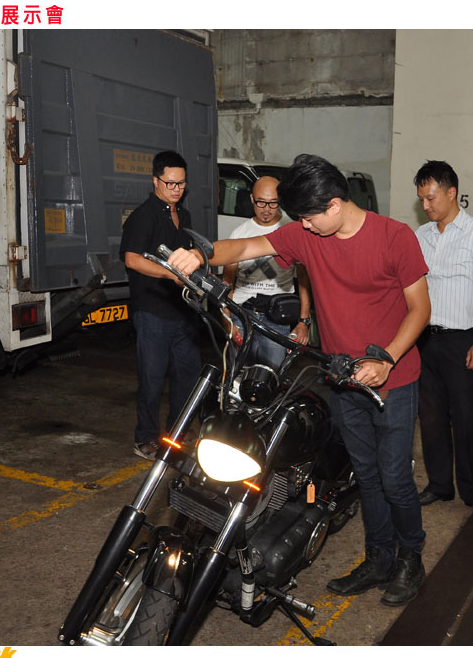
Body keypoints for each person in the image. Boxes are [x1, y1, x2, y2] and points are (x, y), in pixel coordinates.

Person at [169, 154, 432, 607]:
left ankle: (410, 558)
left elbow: (420, 309)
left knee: (394, 478)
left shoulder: (395, 237)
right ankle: (378, 558)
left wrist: (387, 358)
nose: (303, 227)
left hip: (393, 381)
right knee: (366, 475)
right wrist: (201, 254)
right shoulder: (309, 235)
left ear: (334, 205)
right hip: (343, 377)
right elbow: (247, 248)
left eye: (309, 217)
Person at [413, 160, 473, 518]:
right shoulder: (421, 235)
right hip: (425, 340)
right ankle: (439, 484)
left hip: (463, 340)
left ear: (452, 193)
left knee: (466, 417)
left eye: (431, 198)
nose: (426, 206)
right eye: (421, 199)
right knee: (430, 417)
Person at [119, 150, 202, 459]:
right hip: (153, 311)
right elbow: (132, 259)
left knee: (186, 377)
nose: (177, 189)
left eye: (181, 183)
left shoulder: (184, 216)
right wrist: (171, 275)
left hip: (183, 312)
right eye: (170, 183)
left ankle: (177, 432)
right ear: (155, 181)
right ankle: (145, 438)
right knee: (152, 380)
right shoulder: (143, 216)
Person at [223, 176, 312, 369]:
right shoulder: (239, 234)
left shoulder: (293, 231)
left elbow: (304, 279)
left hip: (278, 318)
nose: (266, 209)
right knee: (237, 377)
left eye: (273, 203)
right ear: (251, 199)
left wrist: (304, 322)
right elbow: (227, 281)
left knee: (270, 378)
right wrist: (227, 319)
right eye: (261, 202)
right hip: (242, 315)